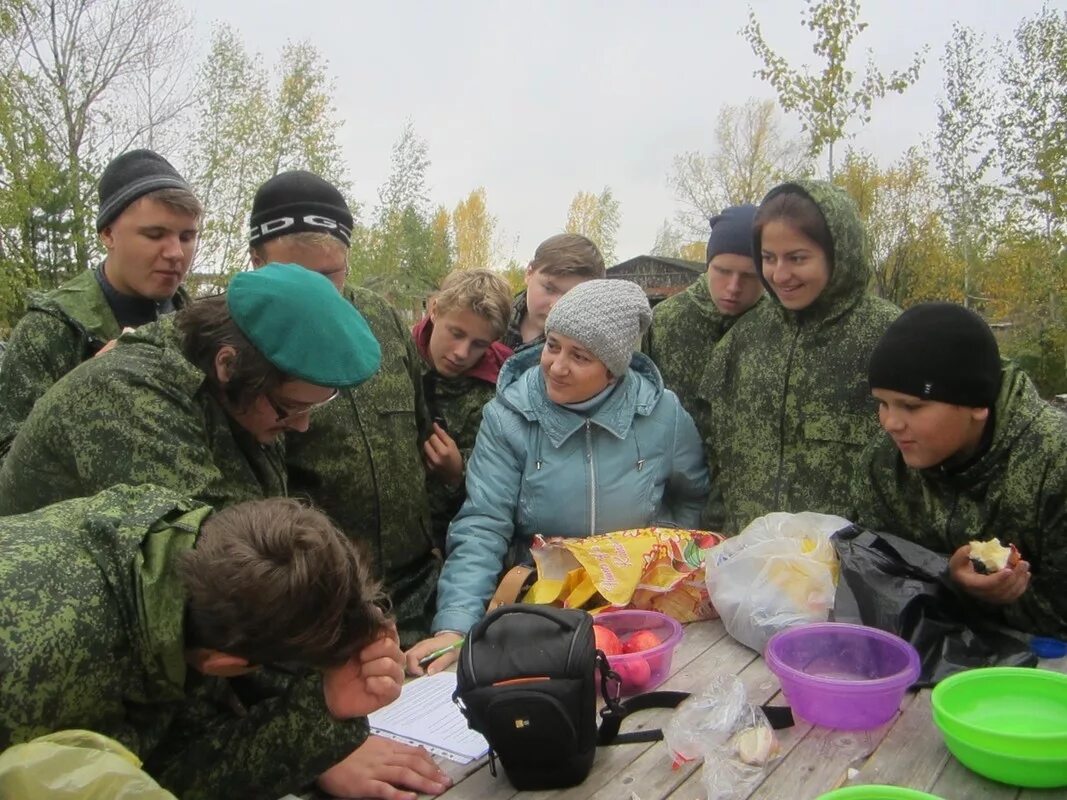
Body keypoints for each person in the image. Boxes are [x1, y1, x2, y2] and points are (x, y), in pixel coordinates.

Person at [0, 486, 450, 800]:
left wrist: (326, 710)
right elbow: (156, 782)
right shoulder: (54, 682)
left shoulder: (175, 539)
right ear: (222, 665)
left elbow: (181, 752)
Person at [407, 279, 709, 673]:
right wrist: (455, 625)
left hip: (636, 617)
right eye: (553, 346)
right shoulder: (508, 418)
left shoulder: (661, 414)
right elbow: (482, 524)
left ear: (614, 369)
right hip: (539, 613)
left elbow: (692, 494)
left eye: (580, 356)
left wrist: (656, 558)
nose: (557, 366)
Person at [0, 263, 380, 515]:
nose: (301, 427)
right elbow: (221, 562)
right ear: (228, 365)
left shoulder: (232, 385)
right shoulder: (129, 397)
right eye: (288, 408)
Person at [247, 171, 438, 648]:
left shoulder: (380, 320)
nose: (321, 295)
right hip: (323, 608)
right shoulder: (243, 338)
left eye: (332, 274)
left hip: (419, 594)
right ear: (257, 261)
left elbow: (419, 428)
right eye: (299, 278)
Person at [695, 180, 899, 535]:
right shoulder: (742, 340)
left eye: (798, 258)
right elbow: (716, 458)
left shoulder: (889, 337)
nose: (780, 274)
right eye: (769, 258)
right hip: (749, 566)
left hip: (851, 573)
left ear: (839, 254)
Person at [852, 302, 1067, 638]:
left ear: (977, 404)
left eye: (912, 406)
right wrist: (949, 578)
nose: (890, 423)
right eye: (882, 402)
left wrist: (995, 594)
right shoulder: (882, 467)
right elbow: (875, 579)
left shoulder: (1056, 464)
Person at [0, 149, 200, 461]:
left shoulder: (199, 325)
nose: (176, 253)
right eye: (155, 234)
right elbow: (8, 464)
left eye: (187, 236)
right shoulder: (50, 330)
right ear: (107, 233)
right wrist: (83, 388)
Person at [413, 268, 514, 549]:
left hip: (463, 541)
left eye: (478, 344)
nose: (461, 353)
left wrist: (460, 471)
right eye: (455, 333)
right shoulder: (395, 362)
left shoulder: (504, 385)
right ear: (434, 309)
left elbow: (508, 473)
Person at [644, 204, 763, 414]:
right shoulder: (664, 322)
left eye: (749, 276)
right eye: (723, 271)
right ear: (708, 266)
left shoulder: (783, 322)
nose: (733, 287)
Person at [501, 232, 606, 351]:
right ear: (529, 273)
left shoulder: (587, 353)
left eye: (572, 297)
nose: (555, 306)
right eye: (549, 289)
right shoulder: (491, 318)